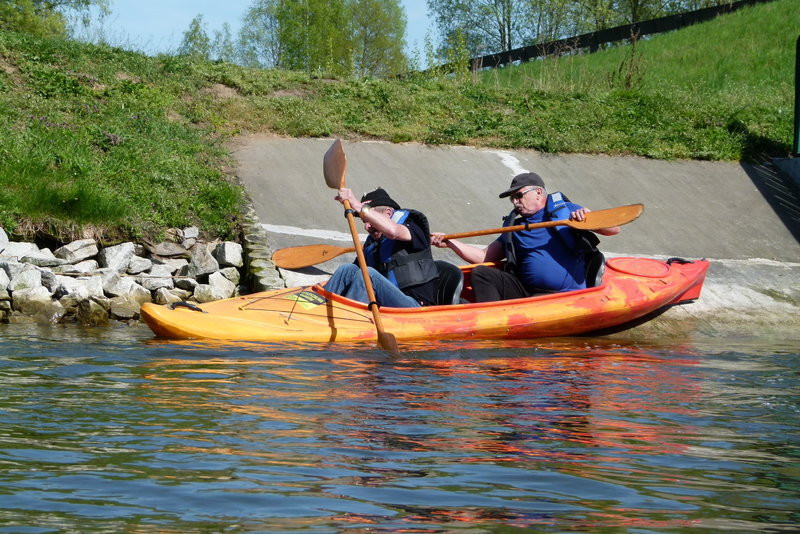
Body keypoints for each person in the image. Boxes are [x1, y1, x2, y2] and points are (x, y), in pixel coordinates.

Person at [431, 172, 620, 302]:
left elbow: (614, 230)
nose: (515, 201)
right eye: (512, 198)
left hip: (562, 296)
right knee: (482, 272)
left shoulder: (565, 212)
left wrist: (588, 219)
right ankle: (491, 319)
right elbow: (484, 257)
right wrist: (450, 243)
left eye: (519, 195)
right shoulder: (514, 226)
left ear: (538, 193)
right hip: (526, 292)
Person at [324, 187, 438, 308]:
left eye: (369, 220)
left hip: (415, 309)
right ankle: (321, 307)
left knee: (368, 274)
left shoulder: (413, 226)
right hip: (385, 304)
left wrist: (356, 205)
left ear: (388, 213)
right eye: (364, 221)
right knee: (347, 270)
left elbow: (393, 231)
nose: (366, 227)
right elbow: (354, 275)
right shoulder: (372, 243)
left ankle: (347, 320)